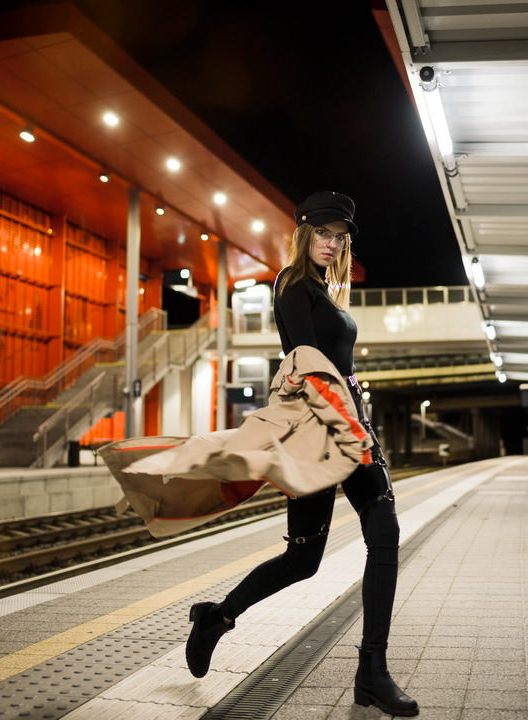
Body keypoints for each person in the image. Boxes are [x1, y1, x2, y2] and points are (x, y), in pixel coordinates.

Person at [185, 191, 418, 717]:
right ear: (304, 233)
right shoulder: (293, 285)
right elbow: (311, 368)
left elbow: (341, 372)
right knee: (303, 560)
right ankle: (216, 618)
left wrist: (361, 424)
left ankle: (372, 672)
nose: (332, 244)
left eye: (341, 237)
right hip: (320, 433)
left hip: (349, 424)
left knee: (384, 534)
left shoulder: (326, 292)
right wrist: (353, 432)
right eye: (324, 233)